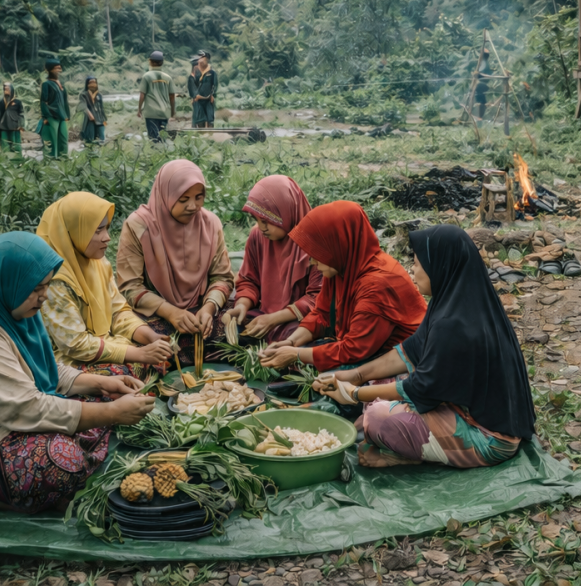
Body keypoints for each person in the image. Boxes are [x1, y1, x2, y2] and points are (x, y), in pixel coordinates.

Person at [0, 233, 155, 513]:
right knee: (62, 459)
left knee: (103, 392)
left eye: (46, 286)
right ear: (8, 283)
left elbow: (43, 368)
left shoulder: (11, 312)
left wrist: (103, 384)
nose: (43, 296)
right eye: (36, 288)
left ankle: (44, 487)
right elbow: (27, 408)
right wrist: (114, 413)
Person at [314, 226, 534, 468]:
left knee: (378, 418)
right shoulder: (457, 301)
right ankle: (398, 439)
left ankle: (403, 456)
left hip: (489, 437)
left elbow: (420, 388)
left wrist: (353, 394)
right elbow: (408, 352)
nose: (413, 271)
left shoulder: (452, 325)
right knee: (378, 385)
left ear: (438, 266)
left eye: (418, 264)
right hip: (465, 407)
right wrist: (354, 375)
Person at [259, 200, 426, 373]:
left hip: (399, 359)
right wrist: (291, 342)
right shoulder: (342, 266)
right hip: (363, 347)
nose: (311, 261)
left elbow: (355, 350)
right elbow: (322, 314)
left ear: (338, 245)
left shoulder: (377, 284)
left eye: (317, 252)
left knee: (325, 381)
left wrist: (297, 354)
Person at [37, 192, 176, 378]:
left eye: (107, 228)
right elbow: (75, 345)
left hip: (104, 341)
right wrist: (138, 354)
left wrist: (149, 337)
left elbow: (118, 311)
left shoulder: (99, 264)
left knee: (163, 339)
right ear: (74, 232)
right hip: (69, 360)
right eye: (97, 230)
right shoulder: (55, 281)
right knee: (120, 374)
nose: (107, 237)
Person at [116, 160, 234, 359]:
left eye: (199, 197)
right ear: (165, 196)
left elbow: (222, 277)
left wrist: (209, 308)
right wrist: (170, 312)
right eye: (183, 199)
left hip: (199, 309)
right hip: (155, 313)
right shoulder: (139, 226)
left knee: (236, 327)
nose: (192, 206)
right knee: (147, 342)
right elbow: (130, 287)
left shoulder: (210, 224)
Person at [223, 176, 323, 345]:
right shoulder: (257, 236)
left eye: (266, 221)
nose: (262, 228)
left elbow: (316, 297)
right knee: (220, 327)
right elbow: (249, 280)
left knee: (300, 341)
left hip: (297, 319)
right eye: (257, 220)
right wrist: (242, 305)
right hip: (262, 314)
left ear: (286, 211)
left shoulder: (314, 241)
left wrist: (273, 319)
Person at [136, 51, 175, 142]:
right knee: (162, 136)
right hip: (164, 112)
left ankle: (155, 153)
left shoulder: (146, 76)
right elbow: (172, 96)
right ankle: (162, 153)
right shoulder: (167, 77)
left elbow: (142, 95)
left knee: (153, 138)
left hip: (151, 112)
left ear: (151, 62)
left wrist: (139, 109)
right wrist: (172, 112)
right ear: (162, 62)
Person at [39, 58, 70, 159]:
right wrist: (45, 116)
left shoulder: (62, 85)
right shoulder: (46, 84)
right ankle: (51, 160)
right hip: (52, 115)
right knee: (52, 138)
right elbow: (44, 101)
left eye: (60, 68)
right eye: (57, 68)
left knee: (64, 138)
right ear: (50, 70)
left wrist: (67, 115)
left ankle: (64, 158)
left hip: (62, 115)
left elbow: (65, 101)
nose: (59, 70)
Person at [0, 82, 24, 154]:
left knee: (16, 146)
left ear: (11, 90)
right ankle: (6, 162)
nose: (6, 91)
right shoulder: (1, 102)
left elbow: (21, 114)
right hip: (4, 127)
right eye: (5, 89)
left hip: (14, 127)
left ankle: (17, 161)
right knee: (5, 146)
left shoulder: (17, 102)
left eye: (7, 89)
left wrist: (21, 125)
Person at [191, 50, 218, 129]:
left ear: (207, 60)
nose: (201, 60)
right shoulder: (196, 72)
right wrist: (194, 97)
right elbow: (194, 85)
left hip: (209, 99)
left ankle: (211, 137)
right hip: (198, 99)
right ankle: (201, 137)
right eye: (200, 58)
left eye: (203, 58)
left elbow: (215, 85)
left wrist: (213, 95)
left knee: (210, 119)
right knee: (200, 120)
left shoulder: (212, 73)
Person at [79, 75, 107, 145]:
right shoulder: (83, 95)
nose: (93, 84)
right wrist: (90, 114)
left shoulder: (99, 95)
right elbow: (83, 105)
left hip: (100, 119)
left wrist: (104, 121)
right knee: (90, 139)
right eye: (91, 82)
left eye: (94, 82)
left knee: (101, 138)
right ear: (87, 84)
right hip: (90, 120)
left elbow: (101, 108)